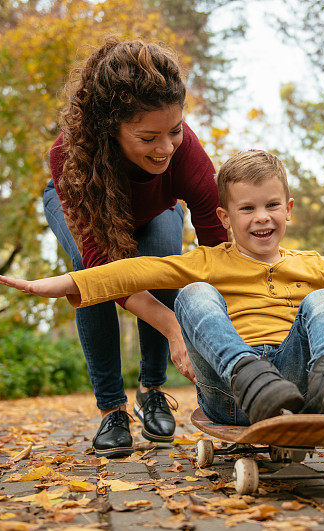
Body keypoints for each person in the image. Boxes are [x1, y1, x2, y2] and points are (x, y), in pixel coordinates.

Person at [7, 150, 324, 427]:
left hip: (292, 384)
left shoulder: (310, 264)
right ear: (225, 218)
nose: (261, 218)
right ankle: (248, 375)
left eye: (271, 206)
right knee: (193, 294)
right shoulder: (206, 260)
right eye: (246, 209)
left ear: (289, 210)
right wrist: (62, 283)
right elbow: (130, 274)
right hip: (230, 391)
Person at [41, 37, 227, 457]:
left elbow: (219, 249)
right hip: (86, 200)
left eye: (175, 131)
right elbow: (104, 271)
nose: (165, 148)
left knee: (164, 261)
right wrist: (174, 326)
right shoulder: (70, 156)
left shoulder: (186, 154)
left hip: (156, 207)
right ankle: (111, 409)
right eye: (148, 137)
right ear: (111, 128)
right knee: (86, 278)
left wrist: (222, 326)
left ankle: (152, 390)